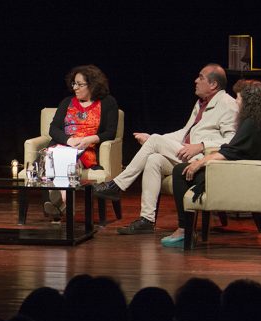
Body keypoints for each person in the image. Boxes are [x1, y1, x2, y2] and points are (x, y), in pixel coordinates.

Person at [93, 63, 238, 234]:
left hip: (205, 160)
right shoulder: (201, 104)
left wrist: (201, 146)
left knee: (154, 141)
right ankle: (147, 219)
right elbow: (185, 133)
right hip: (187, 154)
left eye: (201, 77)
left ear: (213, 84)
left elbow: (231, 141)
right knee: (154, 160)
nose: (195, 80)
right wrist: (152, 140)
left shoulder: (228, 104)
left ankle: (117, 185)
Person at [163, 79, 261, 247]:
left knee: (180, 171)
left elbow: (229, 152)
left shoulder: (250, 124)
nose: (237, 101)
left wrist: (201, 162)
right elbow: (234, 149)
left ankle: (184, 230)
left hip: (238, 175)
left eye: (239, 98)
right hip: (249, 173)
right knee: (184, 168)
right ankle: (186, 229)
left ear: (250, 102)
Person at [43, 64, 119, 221]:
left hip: (86, 149)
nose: (75, 88)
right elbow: (53, 128)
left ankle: (60, 203)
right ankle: (65, 203)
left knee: (68, 160)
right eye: (74, 83)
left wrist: (89, 139)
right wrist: (69, 140)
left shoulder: (108, 102)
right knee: (59, 156)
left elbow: (110, 132)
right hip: (64, 145)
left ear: (92, 85)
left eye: (79, 84)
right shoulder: (67, 102)